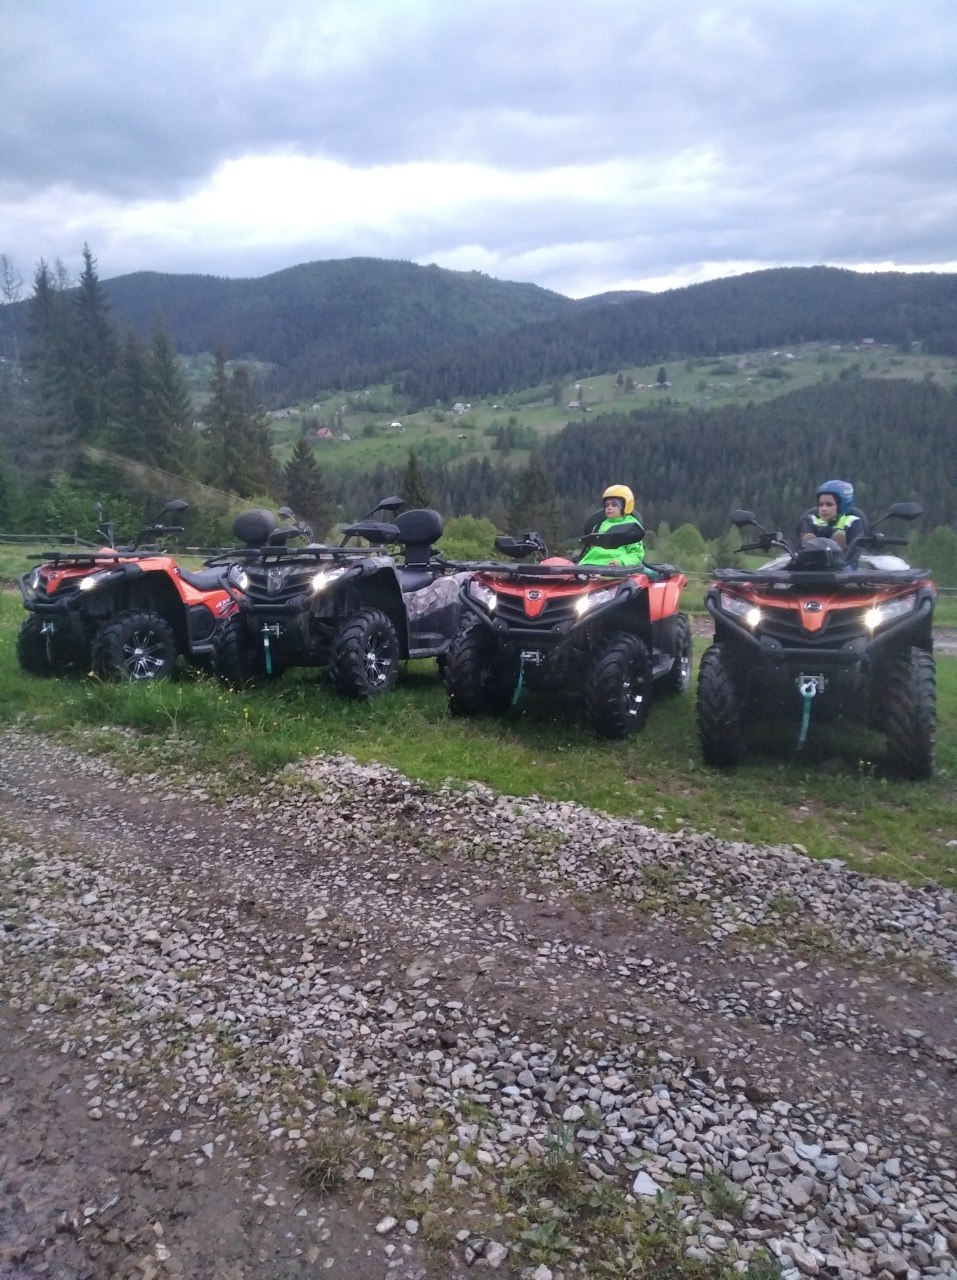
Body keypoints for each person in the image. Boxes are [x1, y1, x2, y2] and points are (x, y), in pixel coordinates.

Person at [578, 484, 648, 566]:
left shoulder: (632, 526)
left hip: (613, 567)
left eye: (614, 505)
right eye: (606, 505)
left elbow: (636, 555)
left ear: (625, 506)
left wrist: (619, 561)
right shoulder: (599, 524)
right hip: (589, 564)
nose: (609, 508)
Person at [798, 479, 864, 550]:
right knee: (808, 536)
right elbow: (801, 543)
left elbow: (857, 548)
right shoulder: (810, 520)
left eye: (829, 505)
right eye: (821, 505)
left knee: (839, 537)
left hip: (844, 556)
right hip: (810, 556)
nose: (824, 509)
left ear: (841, 506)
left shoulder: (852, 522)